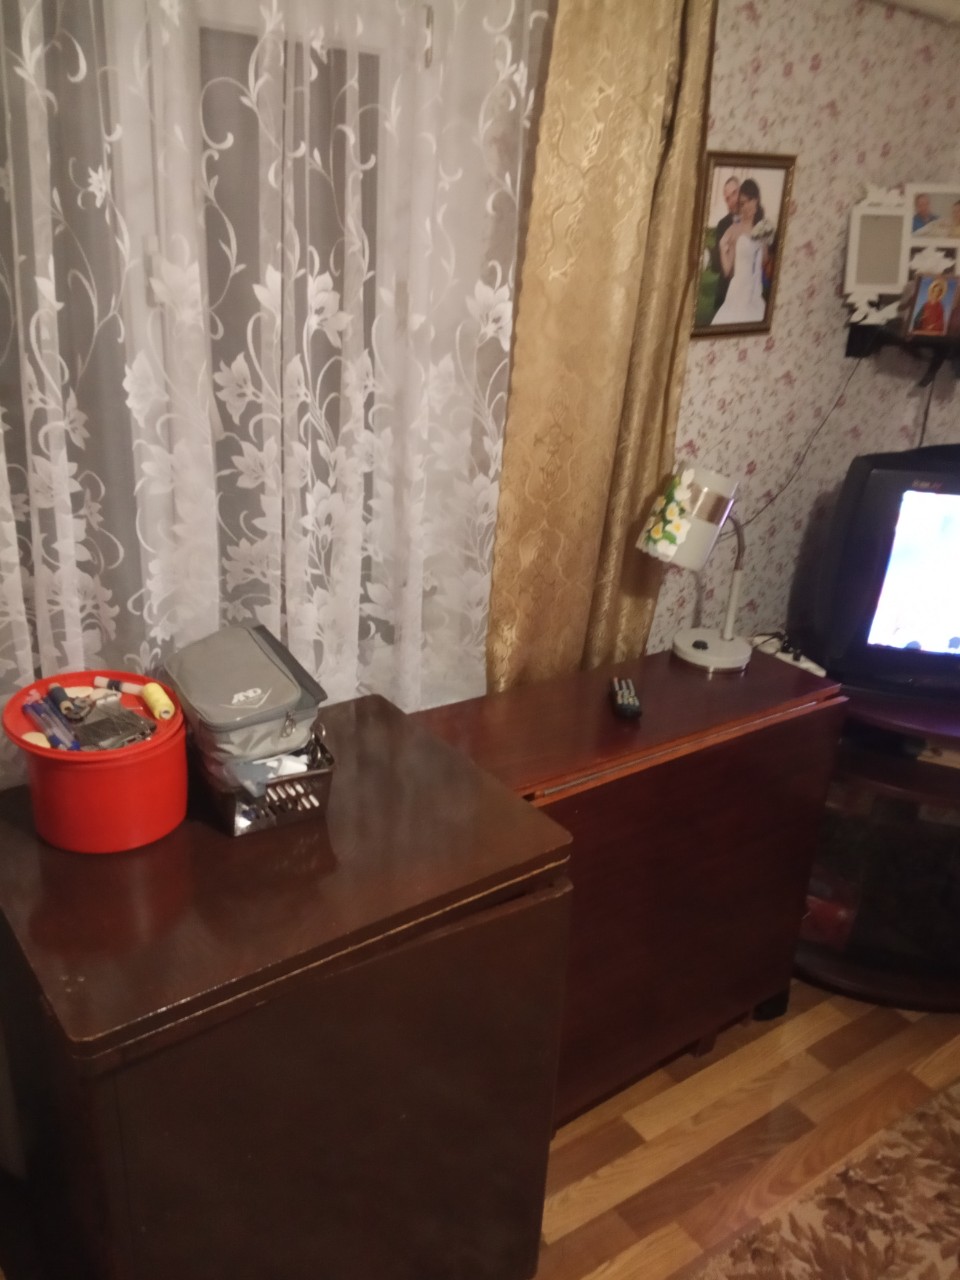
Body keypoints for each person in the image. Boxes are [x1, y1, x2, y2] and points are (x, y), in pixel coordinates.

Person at [711, 178, 770, 326]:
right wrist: (722, 247)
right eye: (743, 203)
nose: (747, 206)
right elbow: (727, 270)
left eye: (750, 200)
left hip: (755, 291)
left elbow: (764, 260)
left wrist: (764, 240)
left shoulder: (763, 227)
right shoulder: (734, 228)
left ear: (756, 200)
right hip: (738, 292)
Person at [711, 176, 740, 312]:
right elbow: (718, 266)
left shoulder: (756, 220)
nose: (732, 200)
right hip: (727, 287)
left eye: (735, 193)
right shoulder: (722, 225)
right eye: (728, 198)